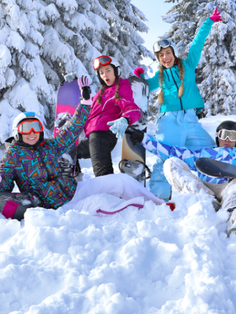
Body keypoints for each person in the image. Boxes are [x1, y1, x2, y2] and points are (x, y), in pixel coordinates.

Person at [0, 77, 164, 221]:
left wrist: (85, 103)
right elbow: (3, 188)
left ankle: (161, 206)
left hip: (74, 190)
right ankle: (137, 211)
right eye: (26, 128)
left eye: (35, 127)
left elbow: (72, 130)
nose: (31, 133)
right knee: (101, 203)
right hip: (57, 207)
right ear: (17, 132)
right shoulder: (12, 157)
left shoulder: (49, 146)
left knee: (122, 181)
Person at [133, 8, 222, 201]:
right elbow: (146, 87)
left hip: (190, 120)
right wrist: (139, 79)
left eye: (167, 52)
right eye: (161, 55)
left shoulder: (188, 65)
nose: (165, 57)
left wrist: (208, 22)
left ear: (173, 52)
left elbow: (197, 43)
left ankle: (216, 189)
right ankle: (159, 198)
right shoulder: (160, 76)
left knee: (210, 153)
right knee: (165, 158)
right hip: (169, 121)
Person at [76, 55, 142, 177]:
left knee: (102, 175)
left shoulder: (120, 88)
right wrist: (85, 99)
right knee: (69, 151)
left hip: (103, 136)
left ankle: (109, 194)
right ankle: (75, 180)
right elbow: (91, 114)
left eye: (108, 70)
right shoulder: (100, 93)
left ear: (116, 71)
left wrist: (125, 119)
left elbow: (133, 109)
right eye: (101, 73)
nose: (105, 74)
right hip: (93, 137)